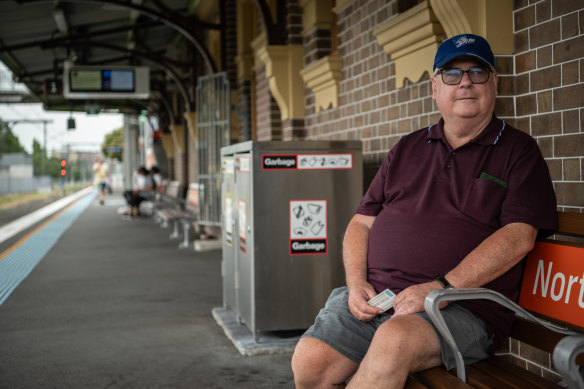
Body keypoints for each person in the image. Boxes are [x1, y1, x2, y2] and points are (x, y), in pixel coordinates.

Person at [291, 34, 557, 388]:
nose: (465, 82)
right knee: (310, 361)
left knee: (393, 342)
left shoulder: (519, 152)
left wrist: (440, 288)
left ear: (494, 83)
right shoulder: (406, 148)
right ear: (435, 88)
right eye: (452, 73)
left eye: (477, 72)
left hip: (460, 306)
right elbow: (362, 222)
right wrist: (356, 284)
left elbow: (519, 237)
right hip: (380, 297)